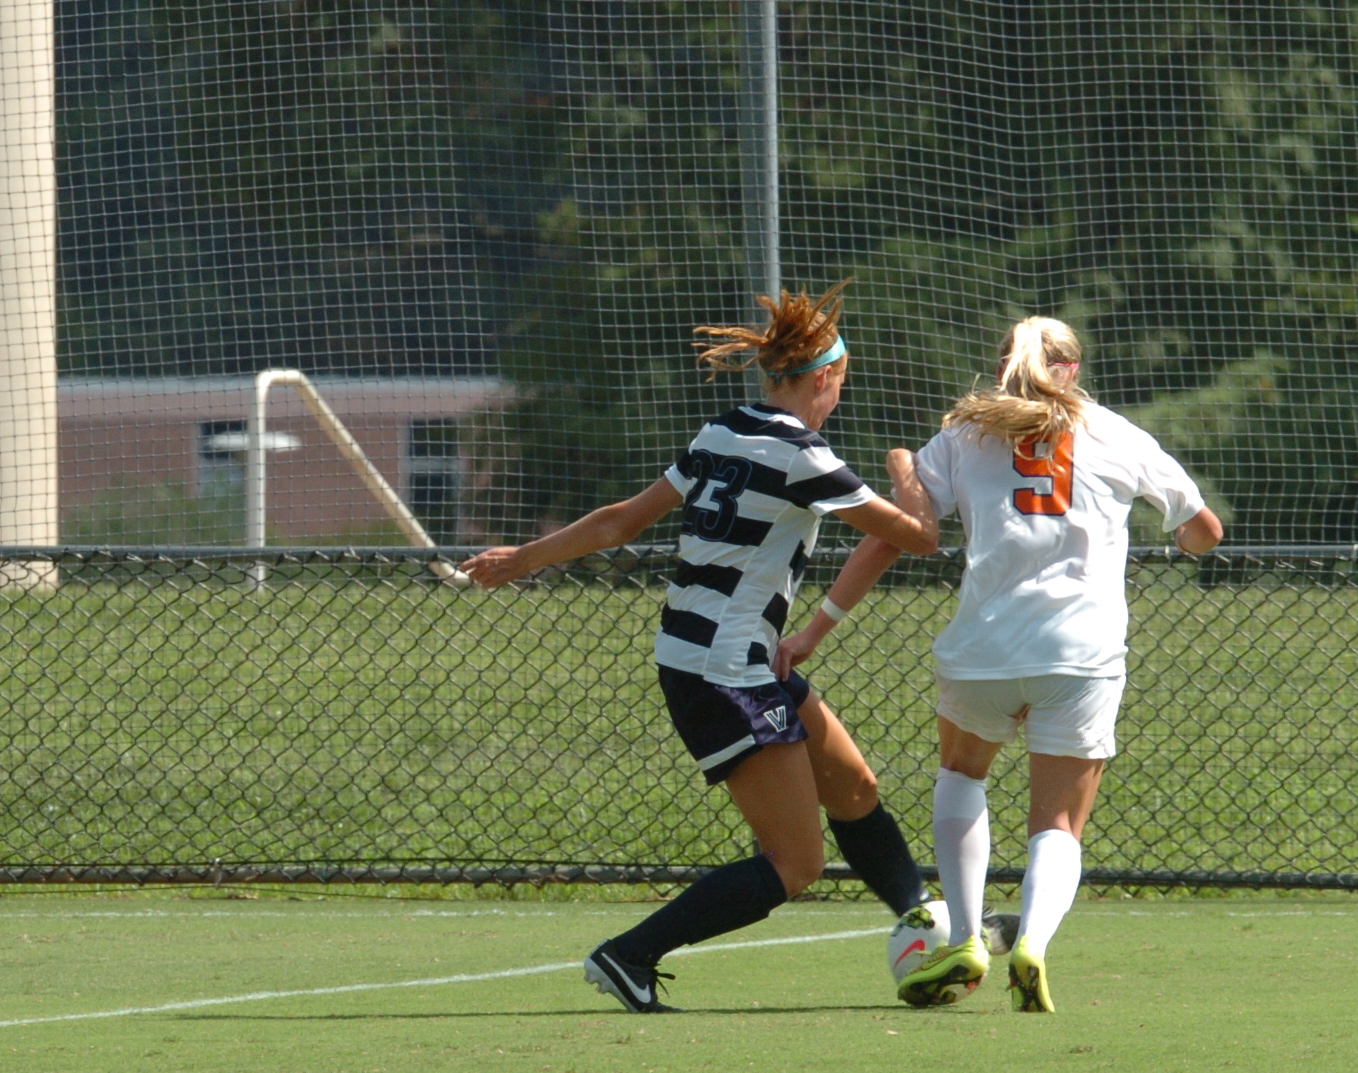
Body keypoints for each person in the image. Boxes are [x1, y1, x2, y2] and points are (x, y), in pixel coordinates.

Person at [461, 284, 941, 1012]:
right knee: (795, 862)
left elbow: (622, 521)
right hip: (725, 672)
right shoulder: (804, 456)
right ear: (823, 379)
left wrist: (522, 558)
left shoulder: (721, 432)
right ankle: (629, 956)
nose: (840, 394)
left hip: (719, 656)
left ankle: (928, 923)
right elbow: (919, 536)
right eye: (841, 382)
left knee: (853, 788)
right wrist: (908, 468)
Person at [777, 316, 1220, 1013]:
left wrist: (814, 629)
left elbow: (893, 537)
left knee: (961, 776)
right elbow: (1203, 532)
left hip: (982, 650)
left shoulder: (963, 434)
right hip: (1080, 653)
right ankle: (1032, 943)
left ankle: (964, 938)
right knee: (1058, 823)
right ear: (1072, 370)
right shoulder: (1118, 435)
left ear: (1003, 368)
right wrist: (1179, 541)